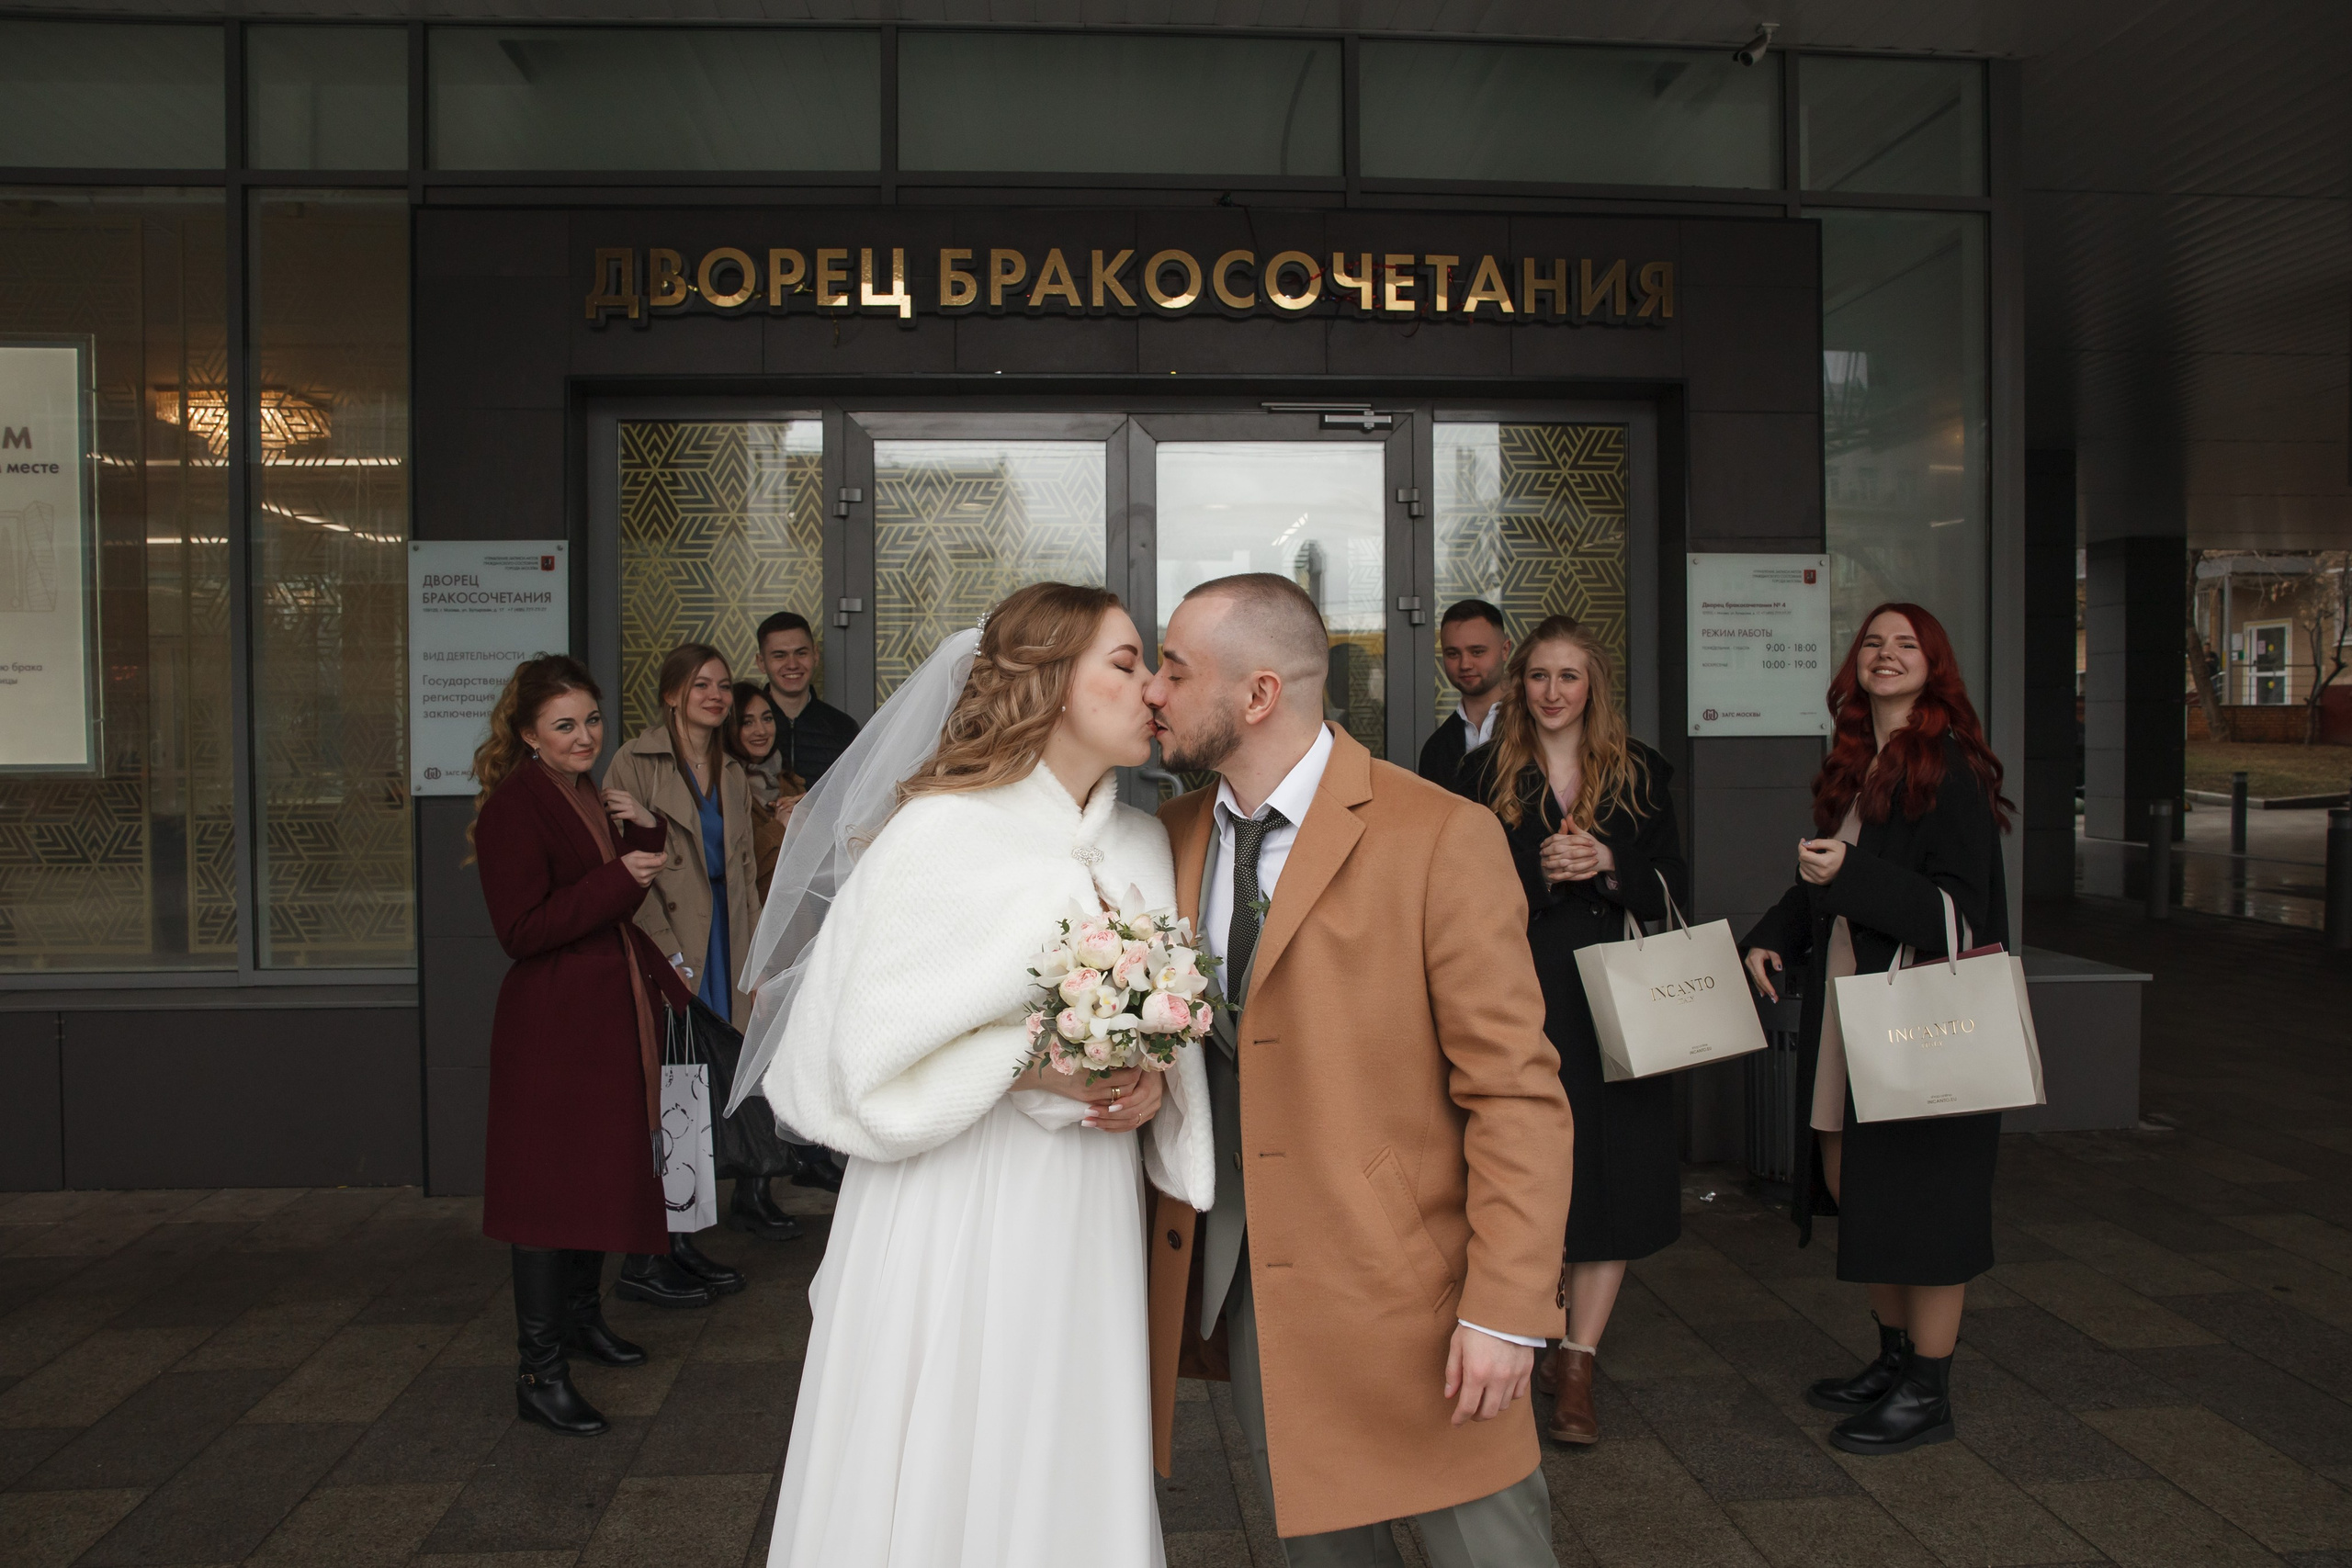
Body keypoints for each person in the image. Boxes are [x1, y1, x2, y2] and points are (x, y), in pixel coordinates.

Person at [749, 581, 1216, 1568]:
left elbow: (1156, 1012)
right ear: (1047, 684)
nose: (1151, 693)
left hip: (1085, 1192)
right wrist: (1029, 1066)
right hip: (960, 1189)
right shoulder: (940, 834)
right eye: (1124, 665)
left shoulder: (1140, 837)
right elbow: (865, 1047)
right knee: (960, 1404)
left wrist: (1150, 1077)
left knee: (1063, 1405)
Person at [1145, 573, 1574, 1566]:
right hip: (1254, 1288)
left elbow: (1513, 1093)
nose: (1154, 693)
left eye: (1174, 669)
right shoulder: (1163, 838)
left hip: (1417, 1300)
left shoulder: (1438, 837)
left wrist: (1508, 1310)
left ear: (1257, 695)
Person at [1740, 603, 2014, 1457]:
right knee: (1858, 1180)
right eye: (1873, 643)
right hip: (1851, 1016)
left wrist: (1853, 875)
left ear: (1935, 666)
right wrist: (1769, 934)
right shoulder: (1861, 766)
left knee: (1924, 1204)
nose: (1886, 654)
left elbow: (1969, 917)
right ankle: (1895, 1359)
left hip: (1921, 1024)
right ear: (1855, 664)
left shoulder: (1951, 770)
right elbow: (1826, 877)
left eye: (1907, 645)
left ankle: (1928, 1389)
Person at [1453, 616, 1685, 1448]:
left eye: (1569, 676)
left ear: (1595, 686)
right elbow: (1454, 888)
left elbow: (1675, 885)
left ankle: (1578, 1362)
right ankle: (1535, 1333)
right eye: (1540, 676)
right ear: (1521, 686)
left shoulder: (1642, 772)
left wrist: (1610, 867)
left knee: (1613, 1173)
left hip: (1618, 1000)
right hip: (1521, 992)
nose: (1553, 691)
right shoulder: (1483, 774)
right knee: (1533, 1164)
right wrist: (1541, 875)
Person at [470, 654, 695, 1438]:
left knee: (597, 1173)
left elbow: (615, 870)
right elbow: (521, 929)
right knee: (545, 1193)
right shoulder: (514, 807)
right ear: (529, 732)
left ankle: (577, 1322)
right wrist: (620, 878)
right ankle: (539, 1371)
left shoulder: (584, 791)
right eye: (564, 725)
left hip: (603, 1013)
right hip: (553, 1025)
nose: (583, 736)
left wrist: (638, 824)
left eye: (592, 720)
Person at [603, 643, 760, 1306]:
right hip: (668, 944)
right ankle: (649, 1253)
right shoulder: (632, 763)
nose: (716, 696)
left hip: (724, 941)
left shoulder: (732, 771)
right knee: (670, 1092)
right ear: (672, 693)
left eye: (723, 685)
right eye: (701, 685)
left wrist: (755, 957)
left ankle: (682, 1239)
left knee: (695, 1093)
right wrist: (668, 955)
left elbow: (746, 873)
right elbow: (626, 869)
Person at [718, 680, 808, 1243]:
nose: (759, 729)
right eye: (747, 720)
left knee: (780, 1063)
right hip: (750, 943)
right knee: (748, 1063)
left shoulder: (789, 780)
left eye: (766, 718)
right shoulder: (730, 788)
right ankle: (749, 1188)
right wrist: (785, 825)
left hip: (792, 943)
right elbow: (747, 869)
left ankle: (766, 1183)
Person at [1416, 599, 1513, 786]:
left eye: (1477, 652)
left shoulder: (1535, 726)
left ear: (1505, 650)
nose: (1465, 664)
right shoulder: (1436, 749)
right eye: (1453, 654)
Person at [756, 611, 860, 785]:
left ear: (815, 655)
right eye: (780, 655)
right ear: (761, 662)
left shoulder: (844, 728)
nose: (792, 665)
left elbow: (854, 795)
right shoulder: (742, 724)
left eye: (801, 653)